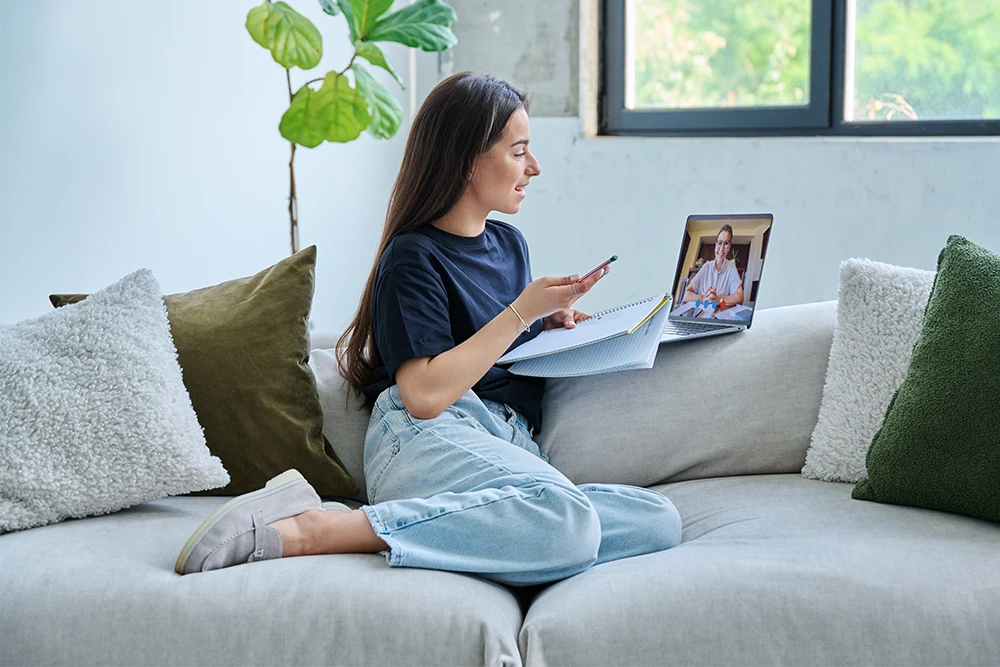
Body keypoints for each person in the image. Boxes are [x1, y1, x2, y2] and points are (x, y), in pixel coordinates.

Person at [175, 72, 682, 585]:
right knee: (569, 524)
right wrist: (521, 313)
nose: (534, 167)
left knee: (658, 520)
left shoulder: (510, 246)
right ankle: (316, 528)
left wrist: (545, 325)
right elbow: (423, 394)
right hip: (426, 434)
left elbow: (490, 344)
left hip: (505, 439)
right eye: (519, 151)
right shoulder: (412, 257)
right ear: (467, 161)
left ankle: (481, 528)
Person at [683, 224, 744, 308]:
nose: (721, 248)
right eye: (719, 243)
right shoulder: (706, 266)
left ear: (729, 247)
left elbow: (739, 296)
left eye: (726, 243)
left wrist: (718, 299)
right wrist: (703, 298)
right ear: (715, 246)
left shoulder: (731, 266)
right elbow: (686, 295)